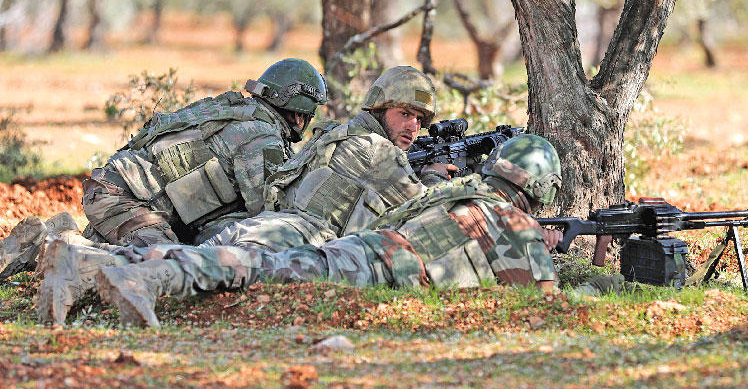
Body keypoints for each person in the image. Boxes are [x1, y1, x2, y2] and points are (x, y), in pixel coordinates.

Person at [35, 65, 454, 324]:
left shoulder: (314, 132)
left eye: (419, 119)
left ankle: (60, 247)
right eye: (405, 115)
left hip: (126, 194)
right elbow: (417, 210)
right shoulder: (263, 136)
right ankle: (82, 265)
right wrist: (435, 178)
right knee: (172, 261)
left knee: (183, 255)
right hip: (146, 205)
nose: (414, 127)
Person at [92, 134, 566, 327]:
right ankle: (149, 275)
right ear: (540, 186)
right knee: (257, 270)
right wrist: (555, 253)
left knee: (261, 266)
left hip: (362, 250)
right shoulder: (514, 224)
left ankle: (104, 265)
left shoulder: (456, 193)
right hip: (380, 270)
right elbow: (546, 305)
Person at [0, 58, 327, 283]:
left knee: (131, 253)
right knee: (164, 265)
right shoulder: (260, 136)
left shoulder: (234, 110)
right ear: (301, 112)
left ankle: (62, 237)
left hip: (124, 196)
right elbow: (270, 214)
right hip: (127, 202)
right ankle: (41, 245)